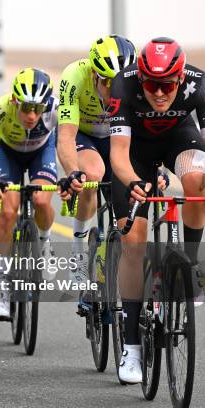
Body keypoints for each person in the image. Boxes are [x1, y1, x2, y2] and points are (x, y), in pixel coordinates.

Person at [108, 37, 205, 384]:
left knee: (199, 184)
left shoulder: (199, 83)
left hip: (179, 139)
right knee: (134, 239)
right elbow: (117, 153)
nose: (159, 93)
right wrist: (134, 182)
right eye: (151, 84)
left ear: (180, 80)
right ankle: (131, 346)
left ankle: (190, 266)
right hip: (134, 152)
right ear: (141, 79)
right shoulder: (123, 83)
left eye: (167, 85)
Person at [0, 68, 58, 319]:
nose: (32, 115)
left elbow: (69, 143)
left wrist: (72, 175)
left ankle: (45, 243)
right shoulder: (1, 109)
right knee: (8, 211)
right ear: (15, 101)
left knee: (41, 199)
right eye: (26, 108)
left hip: (41, 154)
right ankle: (1, 284)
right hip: (8, 155)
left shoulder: (55, 109)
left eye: (38, 108)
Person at [56, 35, 136, 282]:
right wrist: (72, 172)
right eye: (110, 83)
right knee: (91, 174)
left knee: (129, 201)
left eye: (122, 83)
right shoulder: (74, 77)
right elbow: (66, 136)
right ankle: (78, 253)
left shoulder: (136, 83)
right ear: (95, 75)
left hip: (117, 137)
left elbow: (149, 135)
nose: (116, 91)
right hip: (85, 135)